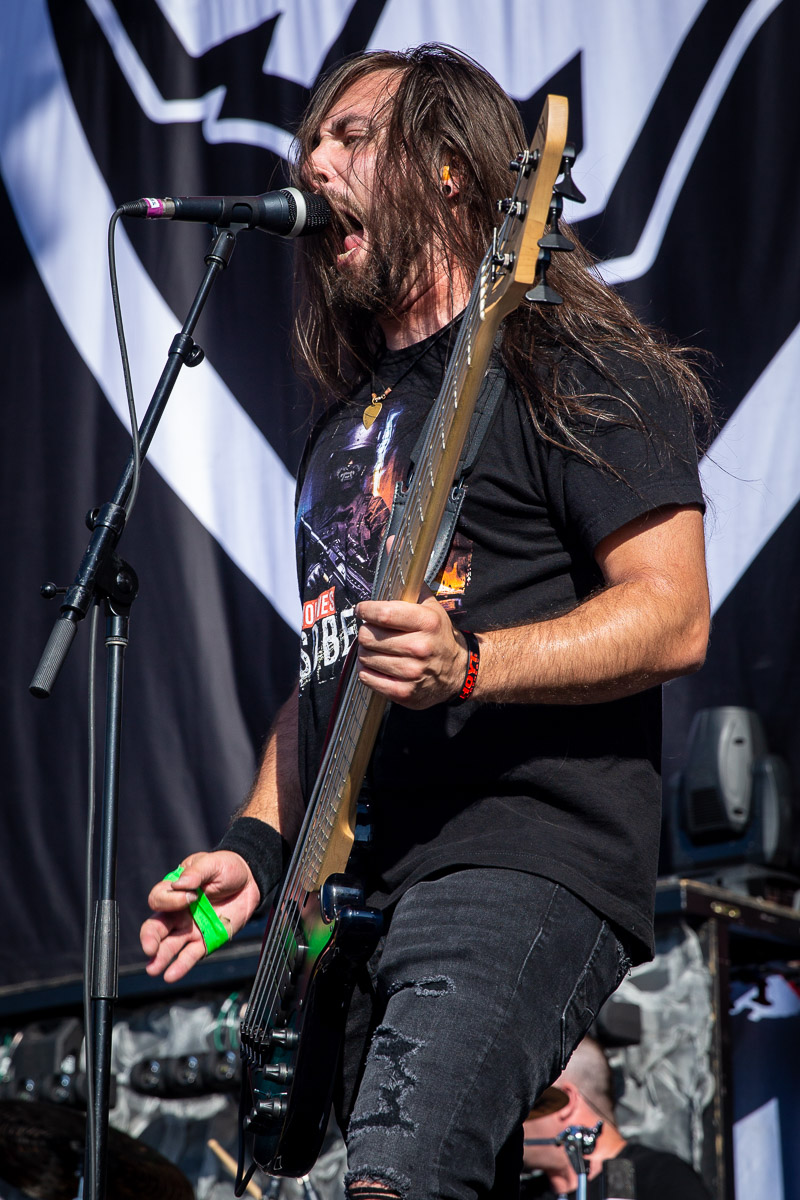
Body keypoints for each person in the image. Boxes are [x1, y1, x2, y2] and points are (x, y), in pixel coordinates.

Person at [140, 44, 711, 1200]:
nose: (314, 164)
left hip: (516, 854)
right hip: (358, 893)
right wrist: (255, 849)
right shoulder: (345, 426)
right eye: (310, 142)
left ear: (450, 170)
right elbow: (330, 665)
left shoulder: (563, 357)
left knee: (396, 1181)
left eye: (351, 138)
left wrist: (475, 663)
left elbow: (672, 612)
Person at [520, 1036, 713, 1199]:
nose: (511, 1122)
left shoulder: (660, 1177)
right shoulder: (521, 1192)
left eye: (523, 1103)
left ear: (565, 1103)